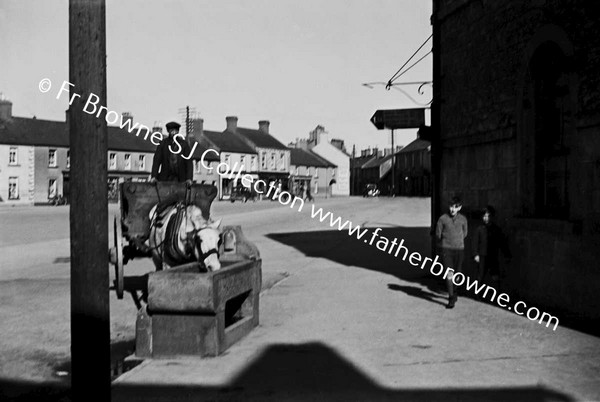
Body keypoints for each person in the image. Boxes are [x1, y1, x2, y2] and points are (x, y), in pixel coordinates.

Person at [436, 196, 468, 309]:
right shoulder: (442, 219)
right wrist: (446, 242)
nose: (452, 209)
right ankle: (451, 298)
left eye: (455, 207)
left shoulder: (463, 219)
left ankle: (454, 291)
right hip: (447, 249)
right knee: (449, 273)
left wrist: (457, 241)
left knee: (457, 274)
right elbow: (438, 234)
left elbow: (465, 233)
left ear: (459, 208)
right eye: (451, 206)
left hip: (459, 249)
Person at [473, 205, 511, 285]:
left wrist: (507, 254)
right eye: (485, 216)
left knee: (495, 276)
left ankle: (497, 294)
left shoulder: (496, 229)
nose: (486, 218)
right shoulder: (480, 229)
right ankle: (479, 296)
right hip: (482, 256)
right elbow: (475, 242)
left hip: (493, 255)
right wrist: (475, 254)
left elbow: (502, 242)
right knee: (481, 276)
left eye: (488, 216)